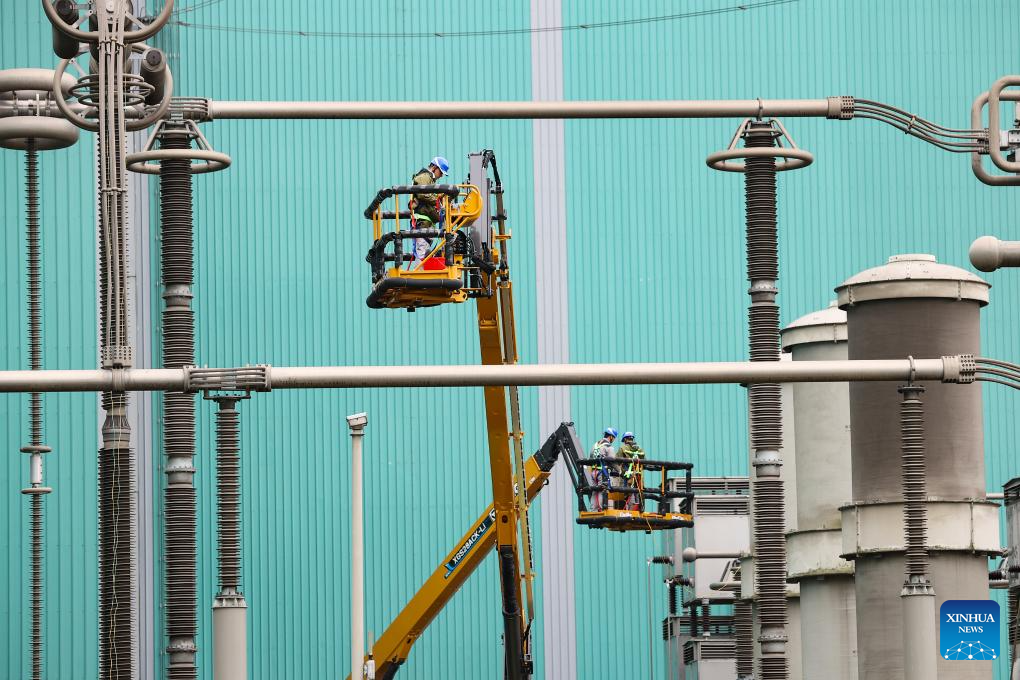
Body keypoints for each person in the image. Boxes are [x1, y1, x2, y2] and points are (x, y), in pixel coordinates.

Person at [408, 156, 450, 266]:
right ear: (434, 168)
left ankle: (422, 277)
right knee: (421, 253)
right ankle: (419, 279)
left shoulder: (430, 180)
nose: (441, 176)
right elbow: (423, 193)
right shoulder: (424, 176)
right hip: (421, 223)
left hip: (426, 224)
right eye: (440, 172)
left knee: (425, 252)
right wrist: (437, 200)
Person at [588, 427, 618, 511]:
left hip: (594, 472)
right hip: (602, 472)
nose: (613, 440)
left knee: (594, 490)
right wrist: (620, 471)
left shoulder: (595, 445)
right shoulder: (608, 447)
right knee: (602, 490)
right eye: (614, 438)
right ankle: (601, 509)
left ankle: (593, 510)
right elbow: (613, 462)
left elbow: (590, 458)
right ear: (611, 437)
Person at [618, 431, 646, 511]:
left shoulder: (623, 448)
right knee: (638, 492)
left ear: (626, 439)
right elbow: (645, 462)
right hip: (639, 475)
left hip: (628, 475)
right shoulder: (640, 449)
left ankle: (630, 510)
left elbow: (616, 460)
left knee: (628, 493)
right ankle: (640, 509)